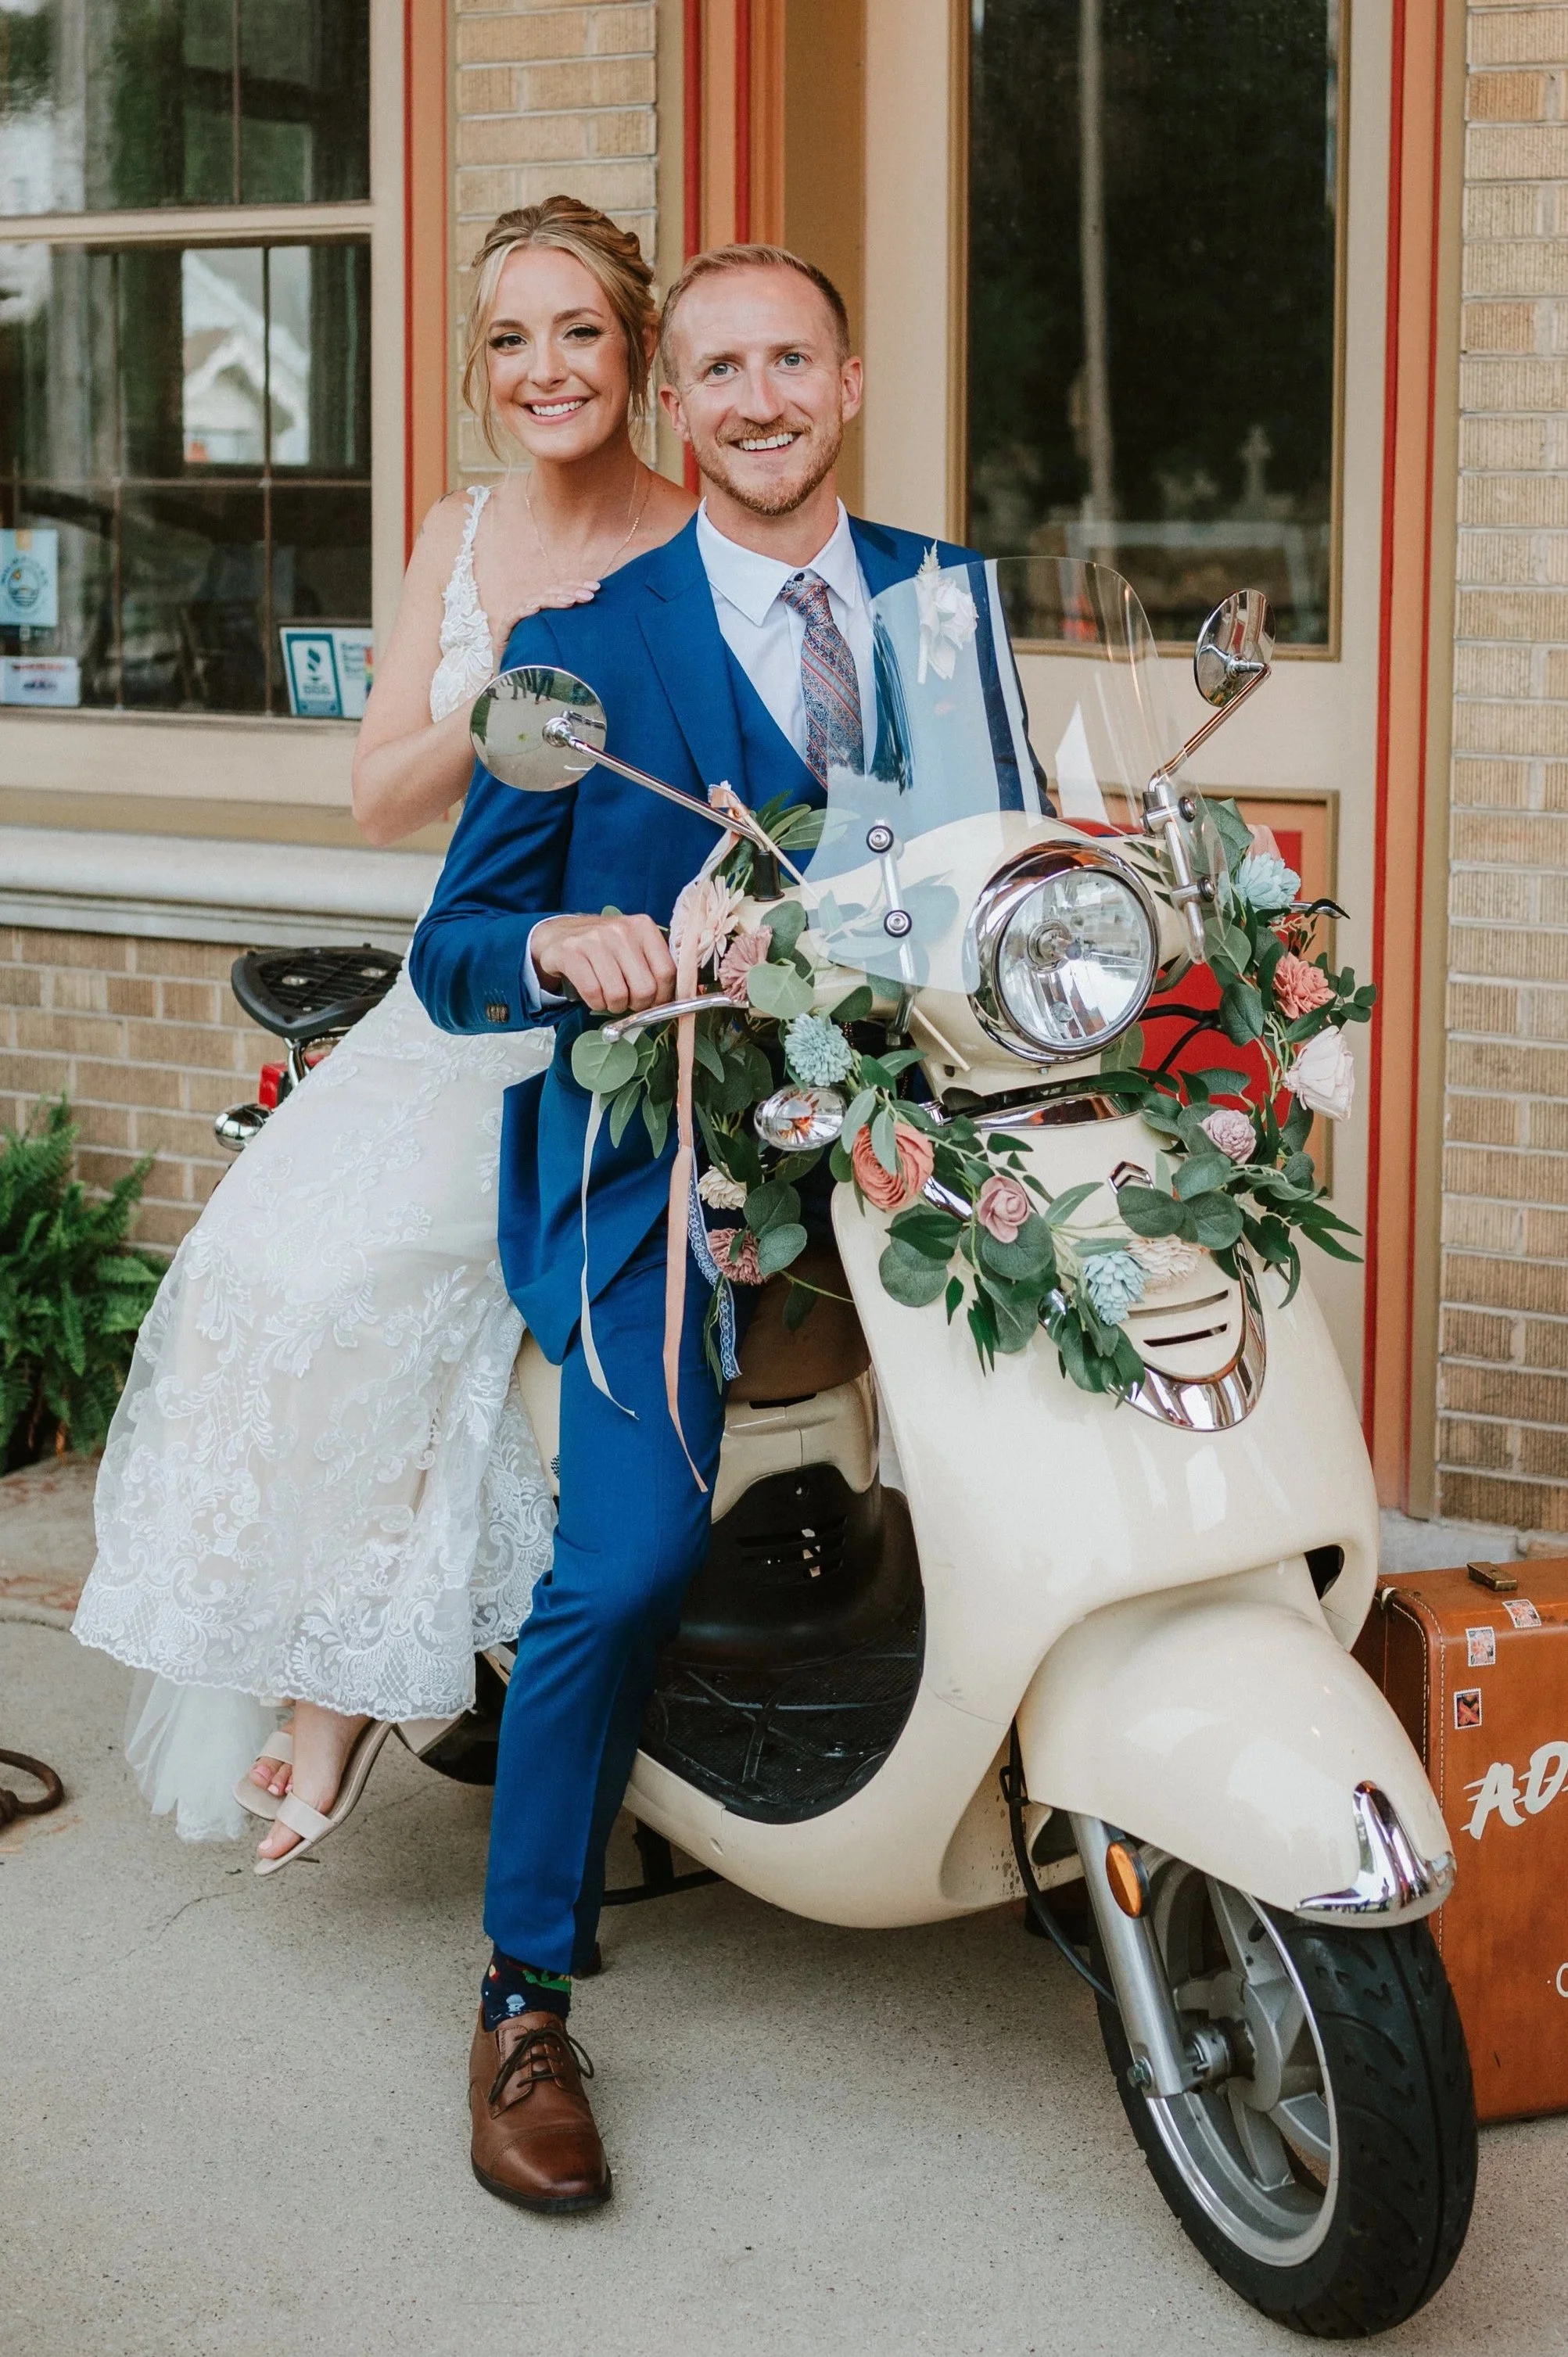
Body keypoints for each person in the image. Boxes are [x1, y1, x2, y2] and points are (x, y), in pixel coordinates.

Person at [410, 242, 979, 2212]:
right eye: (716, 368)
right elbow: (450, 949)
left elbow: (996, 863)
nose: (755, 398)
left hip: (919, 1146)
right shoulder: (582, 649)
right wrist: (555, 938)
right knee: (629, 1555)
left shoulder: (943, 597)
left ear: (847, 381)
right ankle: (519, 1989)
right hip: (664, 1168)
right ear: (678, 404)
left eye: (789, 361)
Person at [72, 196, 695, 1867]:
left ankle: (333, 1714)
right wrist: (492, 723)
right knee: (256, 1265)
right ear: (483, 371)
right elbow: (373, 795)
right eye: (510, 339)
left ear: (634, 348)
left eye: (577, 330)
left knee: (381, 1281)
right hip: (462, 981)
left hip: (638, 986)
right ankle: (313, 1659)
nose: (543, 367)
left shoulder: (698, 533)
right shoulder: (456, 533)